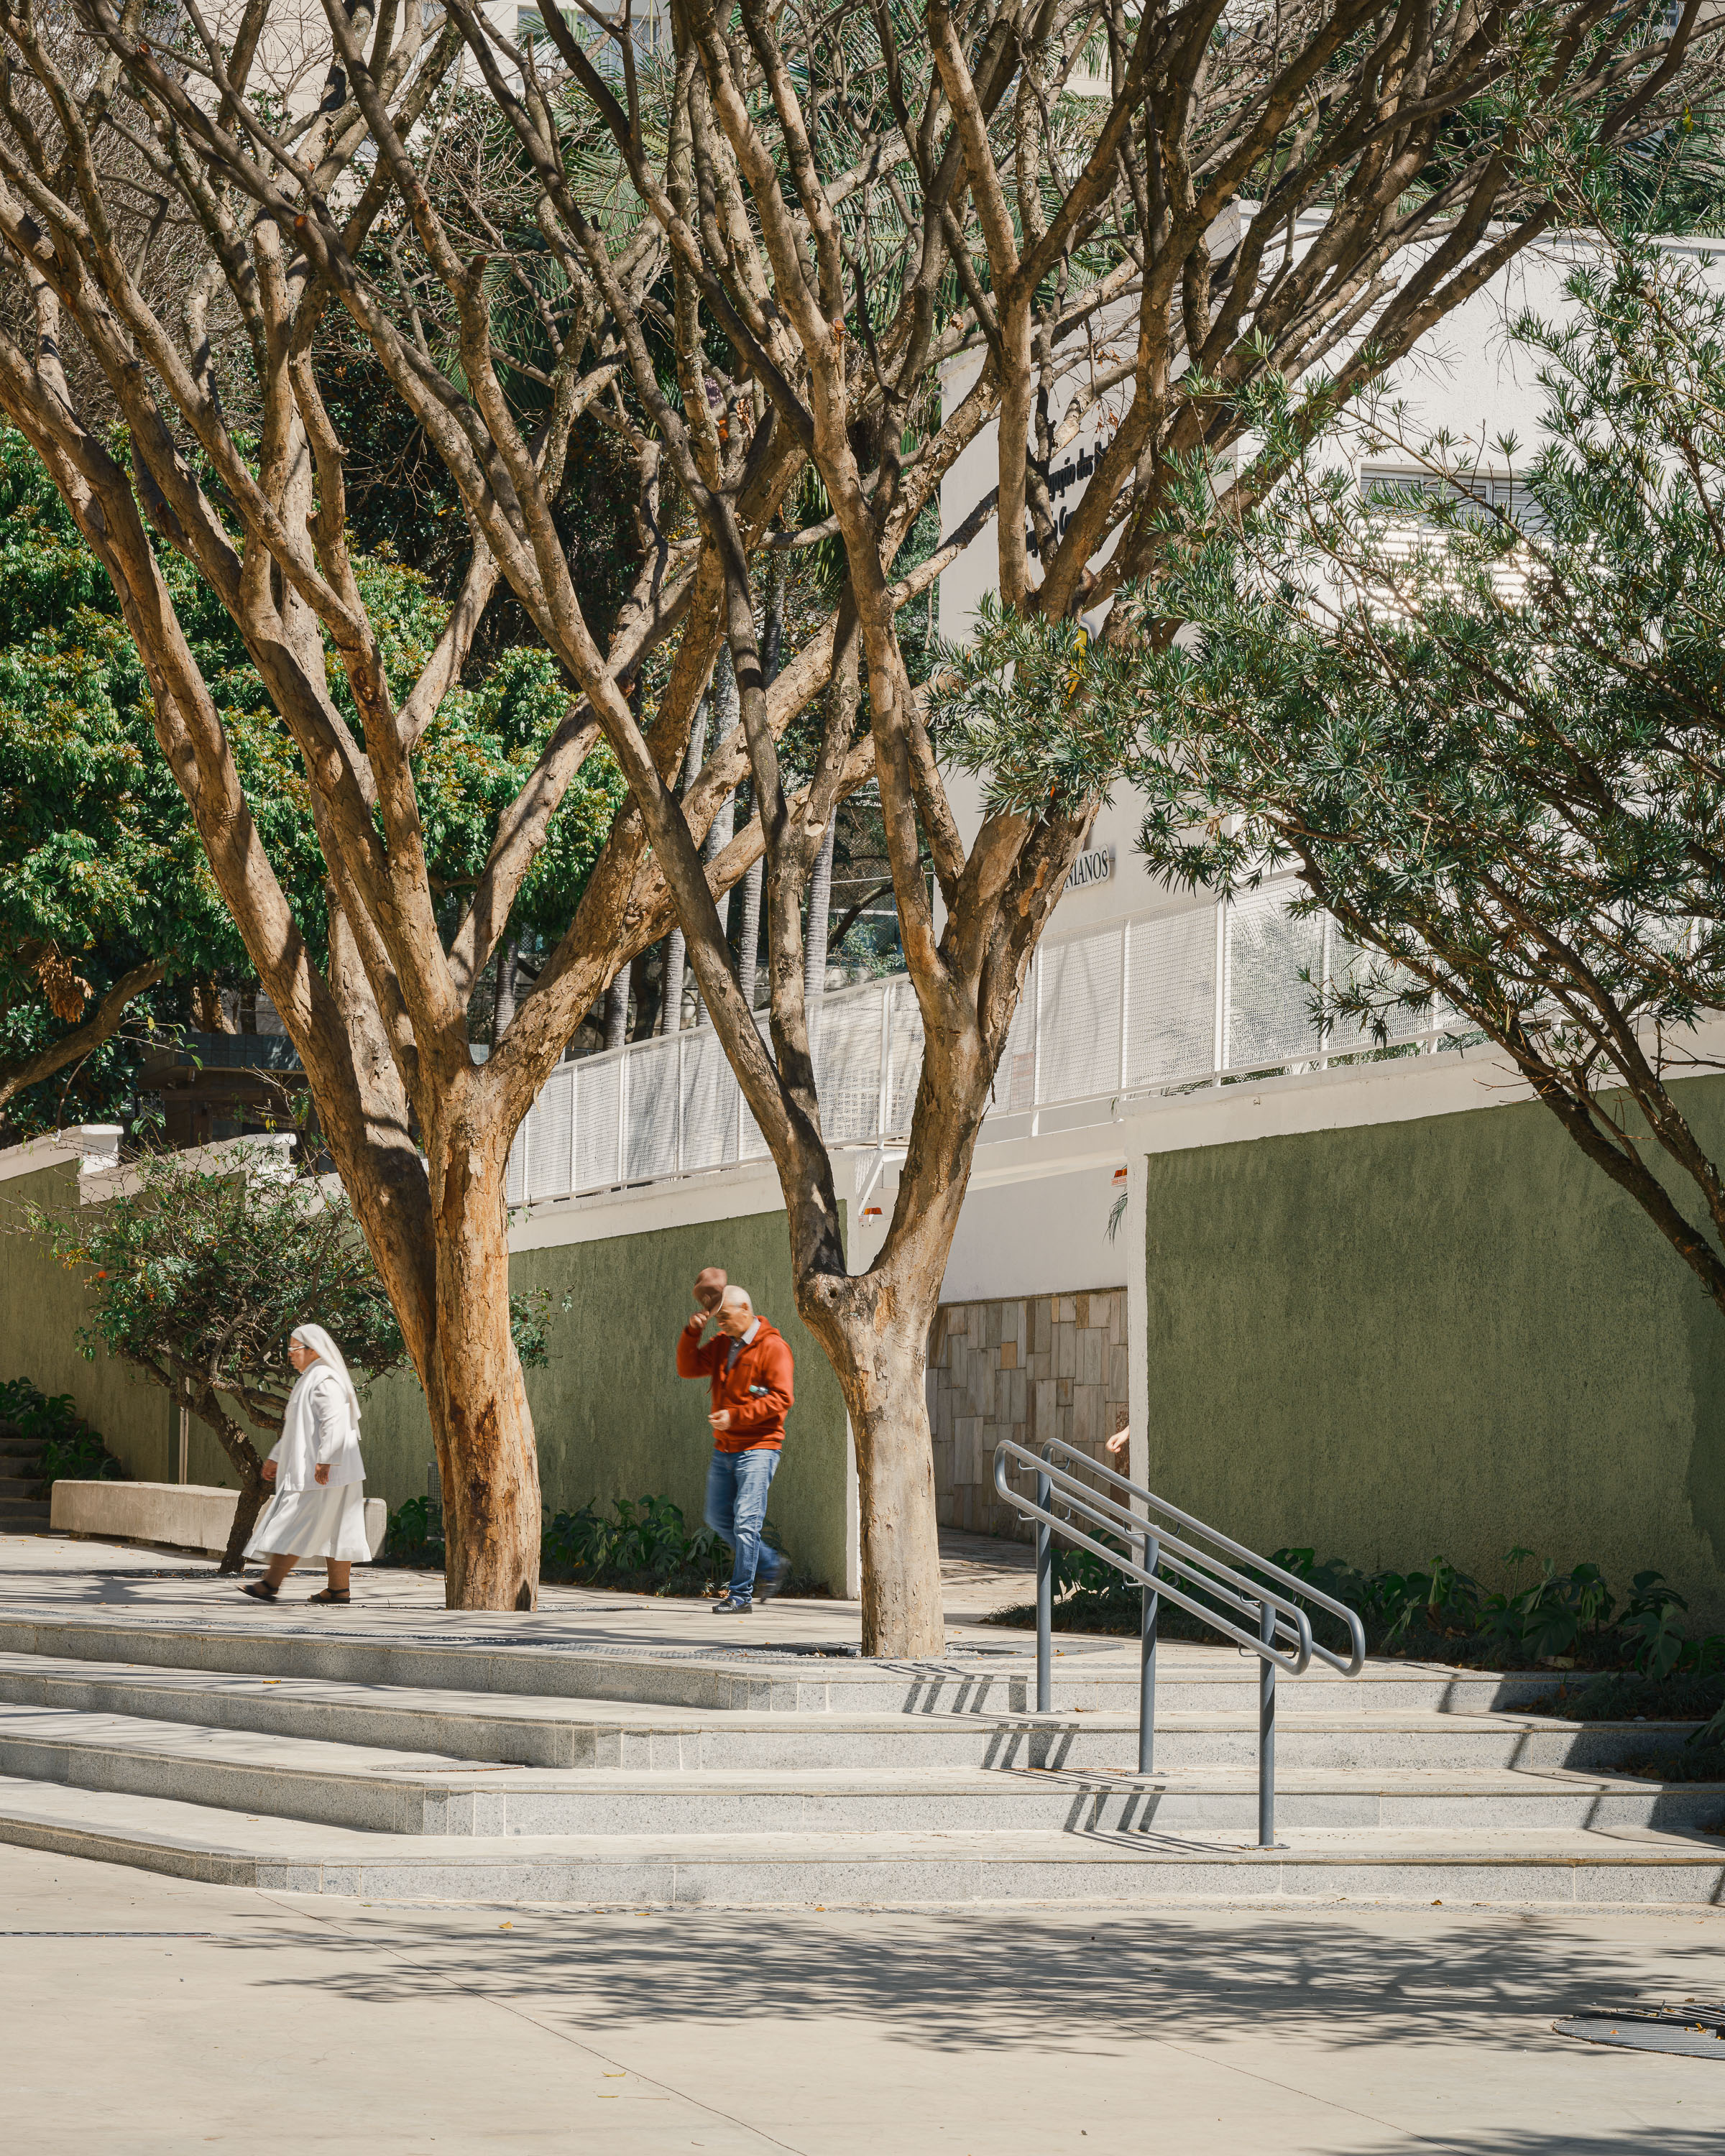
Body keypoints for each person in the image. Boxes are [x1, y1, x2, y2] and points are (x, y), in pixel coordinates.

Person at [677, 1281, 794, 1613]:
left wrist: (736, 1417)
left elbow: (782, 1399)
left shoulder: (774, 1348)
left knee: (746, 1522)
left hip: (759, 1448)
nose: (721, 1323)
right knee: (716, 1517)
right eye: (717, 1318)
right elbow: (687, 1368)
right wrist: (691, 1331)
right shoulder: (721, 1345)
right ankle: (771, 1564)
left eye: (725, 1316)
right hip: (724, 1449)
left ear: (746, 1310)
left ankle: (741, 1596)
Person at [240, 1324, 371, 1606]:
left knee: (296, 1524)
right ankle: (338, 1590)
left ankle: (269, 1584)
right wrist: (277, 1456)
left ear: (313, 1350)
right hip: (327, 1470)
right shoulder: (311, 1377)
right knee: (338, 1526)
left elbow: (333, 1422)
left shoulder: (324, 1379)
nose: (289, 1354)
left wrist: (325, 1461)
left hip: (325, 1471)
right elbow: (296, 1428)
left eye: (294, 1348)